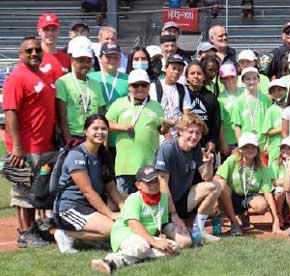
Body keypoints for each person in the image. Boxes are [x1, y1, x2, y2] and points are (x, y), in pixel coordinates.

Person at [3, 37, 60, 248]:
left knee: (37, 190)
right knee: (24, 190)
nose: (34, 53)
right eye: (29, 51)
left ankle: (33, 228)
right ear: (21, 54)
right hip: (27, 146)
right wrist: (17, 147)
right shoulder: (17, 77)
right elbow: (10, 112)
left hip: (43, 144)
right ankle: (24, 233)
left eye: (37, 50)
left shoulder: (42, 75)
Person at [53, 115, 123, 253]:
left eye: (104, 129)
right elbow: (88, 191)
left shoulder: (102, 154)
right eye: (95, 128)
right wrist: (110, 214)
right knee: (112, 229)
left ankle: (92, 237)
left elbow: (111, 188)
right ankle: (66, 234)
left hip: (90, 204)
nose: (100, 132)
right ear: (85, 131)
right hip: (71, 207)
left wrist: (125, 209)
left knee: (130, 200)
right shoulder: (77, 155)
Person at [89, 167, 179, 275]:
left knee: (172, 247)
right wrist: (154, 242)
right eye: (148, 182)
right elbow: (133, 224)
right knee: (141, 245)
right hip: (126, 233)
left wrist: (160, 237)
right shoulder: (134, 198)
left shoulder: (163, 198)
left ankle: (138, 256)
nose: (153, 185)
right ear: (138, 185)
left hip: (144, 236)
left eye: (155, 181)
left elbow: (158, 223)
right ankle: (110, 262)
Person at [152, 112, 221, 242]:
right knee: (185, 243)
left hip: (182, 200)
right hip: (164, 207)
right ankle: (163, 230)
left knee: (215, 186)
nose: (194, 137)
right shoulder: (167, 149)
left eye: (198, 133)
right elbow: (163, 186)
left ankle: (198, 230)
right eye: (190, 132)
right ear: (180, 131)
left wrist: (209, 163)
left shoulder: (195, 148)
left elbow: (207, 178)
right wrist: (174, 215)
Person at [106, 70, 165, 194]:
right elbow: (105, 123)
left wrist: (168, 127)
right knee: (125, 202)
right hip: (125, 166)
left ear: (149, 86)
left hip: (148, 166)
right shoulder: (119, 103)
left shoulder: (156, 106)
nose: (140, 88)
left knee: (147, 200)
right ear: (129, 87)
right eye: (135, 85)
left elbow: (162, 130)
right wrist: (121, 127)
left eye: (144, 85)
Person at [214, 133, 279, 233]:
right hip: (232, 196)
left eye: (253, 147)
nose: (250, 150)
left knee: (262, 205)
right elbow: (217, 178)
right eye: (245, 147)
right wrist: (216, 203)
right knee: (221, 184)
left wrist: (275, 220)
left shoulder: (262, 167)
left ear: (257, 149)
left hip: (250, 196)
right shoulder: (232, 160)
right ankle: (234, 222)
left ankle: (243, 214)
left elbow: (268, 192)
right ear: (240, 149)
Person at [56, 38, 105, 145]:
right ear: (72, 60)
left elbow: (100, 113)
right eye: (81, 60)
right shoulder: (63, 82)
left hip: (93, 135)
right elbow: (62, 116)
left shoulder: (96, 84)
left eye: (88, 61)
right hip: (73, 136)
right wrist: (68, 139)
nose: (85, 64)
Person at [183, 61, 223, 154]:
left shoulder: (211, 97)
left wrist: (212, 141)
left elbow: (216, 123)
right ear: (187, 77)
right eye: (192, 73)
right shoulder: (182, 94)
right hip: (185, 143)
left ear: (204, 76)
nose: (196, 76)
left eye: (199, 73)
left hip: (205, 145)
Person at [149, 54, 187, 140]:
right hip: (159, 137)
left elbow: (186, 112)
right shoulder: (154, 86)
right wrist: (167, 134)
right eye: (173, 68)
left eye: (180, 70)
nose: (176, 72)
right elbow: (153, 113)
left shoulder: (183, 89)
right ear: (166, 68)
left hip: (178, 137)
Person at [233, 67, 273, 142]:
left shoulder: (266, 100)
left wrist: (268, 142)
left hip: (263, 143)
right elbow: (237, 126)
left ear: (259, 80)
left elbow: (270, 124)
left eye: (254, 78)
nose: (252, 81)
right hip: (246, 144)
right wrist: (240, 143)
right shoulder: (239, 101)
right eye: (248, 79)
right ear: (242, 81)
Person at [89, 43, 129, 110]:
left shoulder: (128, 79)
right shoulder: (90, 77)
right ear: (100, 58)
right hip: (96, 119)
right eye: (108, 57)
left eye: (116, 57)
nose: (112, 60)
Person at [264, 78, 289, 165]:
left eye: (279, 90)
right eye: (273, 91)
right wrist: (284, 128)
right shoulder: (270, 110)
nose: (277, 93)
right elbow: (267, 131)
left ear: (285, 90)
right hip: (275, 147)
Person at [218, 63, 241, 154]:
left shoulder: (245, 93)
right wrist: (223, 143)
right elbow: (221, 123)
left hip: (246, 137)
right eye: (226, 78)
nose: (229, 80)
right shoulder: (220, 99)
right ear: (221, 80)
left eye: (232, 77)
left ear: (237, 77)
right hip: (230, 141)